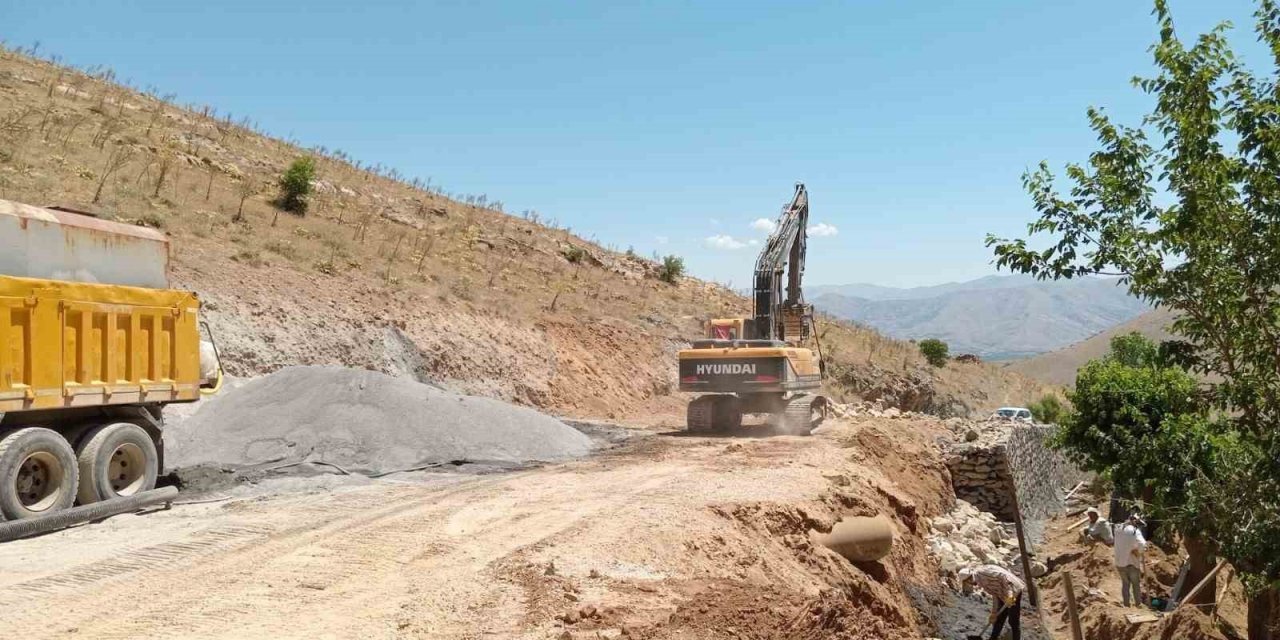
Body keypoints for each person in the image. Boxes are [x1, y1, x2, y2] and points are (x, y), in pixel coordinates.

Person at [959, 564, 1025, 640]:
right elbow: (995, 595)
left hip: (1014, 590)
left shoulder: (983, 572)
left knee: (1013, 620)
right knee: (998, 619)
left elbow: (1004, 577)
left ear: (969, 578)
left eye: (967, 582)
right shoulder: (981, 582)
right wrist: (993, 613)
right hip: (1003, 593)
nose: (970, 585)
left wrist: (1009, 594)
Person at [1114, 513, 1149, 607]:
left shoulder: (1117, 528)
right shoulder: (1134, 531)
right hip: (1132, 562)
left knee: (1125, 584)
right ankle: (1138, 604)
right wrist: (1138, 552)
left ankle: (1126, 604)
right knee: (1135, 584)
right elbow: (1142, 543)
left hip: (1120, 562)